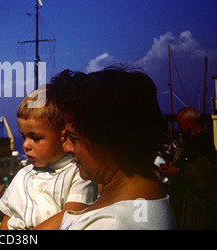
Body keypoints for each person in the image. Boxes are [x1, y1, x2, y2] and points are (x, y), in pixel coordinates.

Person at [52, 66, 176, 230]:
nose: (66, 147)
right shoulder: (149, 199)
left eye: (74, 138)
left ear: (111, 140)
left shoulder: (112, 224)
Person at [0, 80, 98, 230]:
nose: (26, 145)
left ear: (63, 137)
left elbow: (72, 215)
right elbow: (7, 219)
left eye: (35, 138)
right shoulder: (22, 175)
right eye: (23, 137)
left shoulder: (79, 174)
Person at [160, 107, 217, 229]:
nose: (178, 127)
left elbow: (203, 173)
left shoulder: (202, 143)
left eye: (180, 123)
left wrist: (178, 171)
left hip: (195, 209)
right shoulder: (194, 140)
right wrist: (173, 167)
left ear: (191, 123)